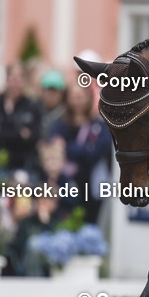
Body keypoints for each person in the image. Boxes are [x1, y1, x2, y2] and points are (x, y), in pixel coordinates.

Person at [47, 84, 112, 223]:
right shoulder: (60, 125)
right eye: (74, 97)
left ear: (88, 98)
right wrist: (84, 148)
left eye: (80, 97)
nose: (77, 101)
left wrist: (67, 148)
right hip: (65, 186)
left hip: (91, 186)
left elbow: (95, 152)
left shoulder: (98, 125)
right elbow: (52, 147)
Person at [0, 63, 41, 175]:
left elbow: (33, 137)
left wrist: (1, 131)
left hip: (24, 165)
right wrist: (19, 133)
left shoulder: (32, 107)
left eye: (19, 79)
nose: (15, 84)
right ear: (6, 80)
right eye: (13, 79)